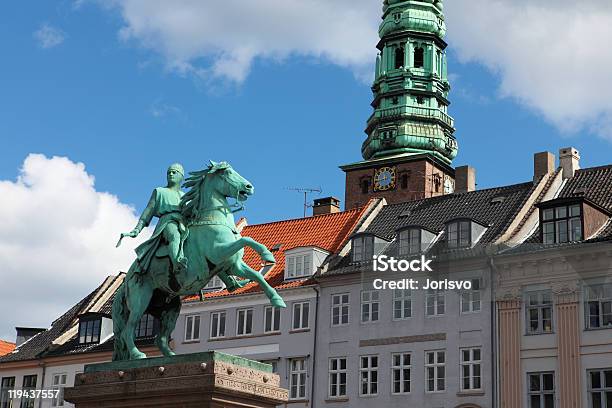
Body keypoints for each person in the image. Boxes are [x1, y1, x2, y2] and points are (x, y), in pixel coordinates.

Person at [124, 163, 187, 274]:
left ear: (181, 176)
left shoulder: (184, 196)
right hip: (167, 222)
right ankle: (177, 263)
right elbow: (148, 212)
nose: (170, 174)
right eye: (169, 172)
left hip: (183, 223)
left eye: (174, 172)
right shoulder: (159, 191)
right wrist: (137, 229)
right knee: (175, 235)